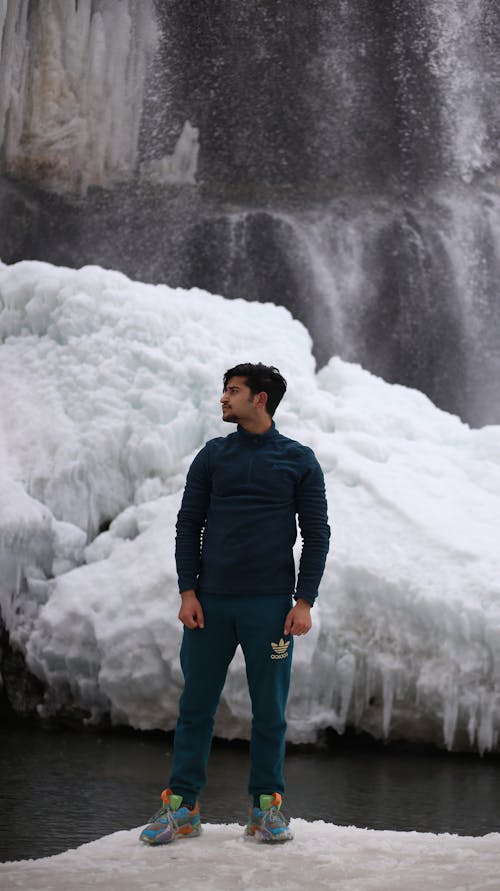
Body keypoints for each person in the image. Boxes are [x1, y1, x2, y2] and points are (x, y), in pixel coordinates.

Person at [140, 362, 330, 846]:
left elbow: (317, 534)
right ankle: (182, 808)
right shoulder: (213, 456)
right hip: (211, 603)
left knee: (270, 709)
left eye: (233, 391)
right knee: (195, 707)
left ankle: (266, 809)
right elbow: (189, 524)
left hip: (269, 606)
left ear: (259, 399)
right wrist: (187, 592)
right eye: (225, 391)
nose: (223, 399)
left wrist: (303, 600)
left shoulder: (299, 459)